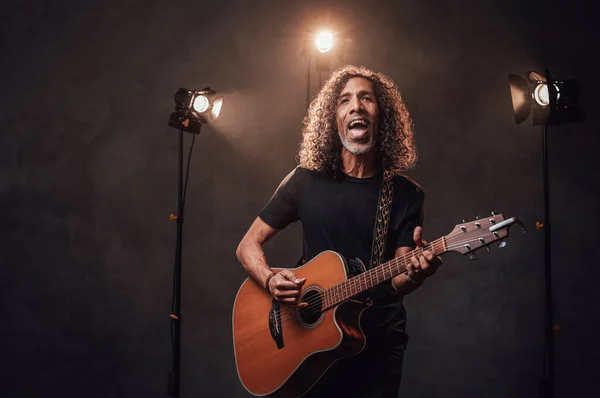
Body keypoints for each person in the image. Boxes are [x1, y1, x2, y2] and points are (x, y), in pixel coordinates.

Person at [236, 65, 442, 397]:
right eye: (345, 101)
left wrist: (419, 273)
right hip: (309, 342)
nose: (356, 107)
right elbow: (248, 245)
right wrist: (271, 279)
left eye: (367, 99)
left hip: (376, 343)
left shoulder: (405, 195)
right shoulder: (305, 181)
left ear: (382, 116)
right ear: (334, 118)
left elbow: (400, 277)